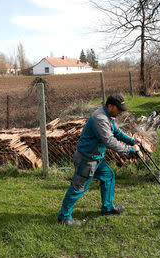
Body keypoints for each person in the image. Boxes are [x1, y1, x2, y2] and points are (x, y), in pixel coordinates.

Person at [57, 94, 141, 226]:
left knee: (108, 176)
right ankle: (64, 217)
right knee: (78, 188)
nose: (120, 112)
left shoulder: (108, 116)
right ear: (110, 106)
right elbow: (109, 141)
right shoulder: (100, 118)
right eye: (119, 109)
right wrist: (130, 150)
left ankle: (107, 208)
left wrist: (132, 141)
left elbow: (116, 132)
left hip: (96, 158)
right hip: (87, 159)